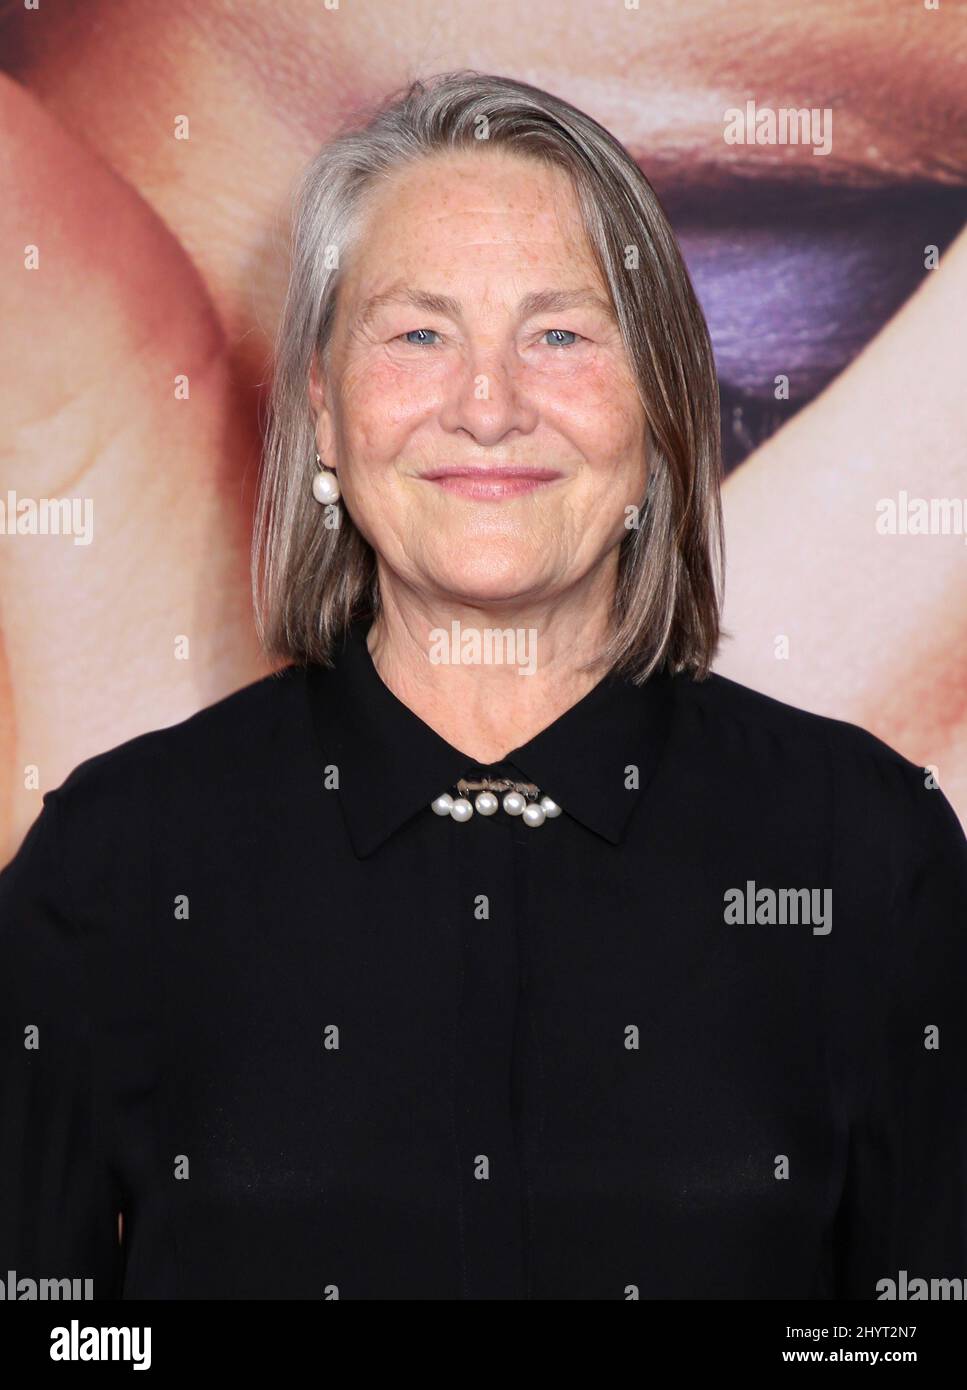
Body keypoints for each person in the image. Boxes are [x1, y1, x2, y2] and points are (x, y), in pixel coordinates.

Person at [1, 72, 965, 1301]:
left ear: (665, 404)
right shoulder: (114, 864)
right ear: (326, 413)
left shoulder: (868, 850)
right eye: (417, 334)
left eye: (561, 333)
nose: (488, 406)